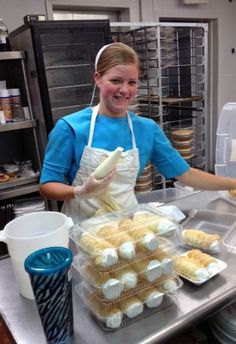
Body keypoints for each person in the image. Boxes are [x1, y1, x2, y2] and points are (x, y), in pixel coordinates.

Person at [39, 42, 236, 223]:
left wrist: (233, 183)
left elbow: (186, 175)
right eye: (116, 80)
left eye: (132, 82)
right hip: (81, 230)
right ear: (98, 78)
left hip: (128, 227)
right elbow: (47, 185)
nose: (124, 90)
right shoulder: (70, 127)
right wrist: (80, 191)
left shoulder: (146, 129)